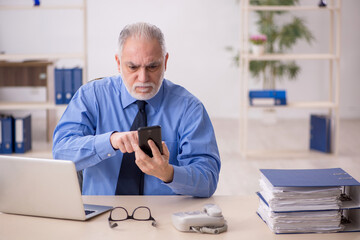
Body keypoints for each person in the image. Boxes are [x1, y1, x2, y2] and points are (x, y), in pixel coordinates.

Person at [52, 22, 221, 197]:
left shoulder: (189, 108)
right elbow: (61, 153)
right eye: (132, 67)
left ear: (165, 61)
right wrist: (109, 141)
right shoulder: (91, 96)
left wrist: (168, 173)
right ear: (118, 63)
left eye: (152, 67)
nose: (143, 78)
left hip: (163, 218)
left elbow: (207, 180)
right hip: (100, 214)